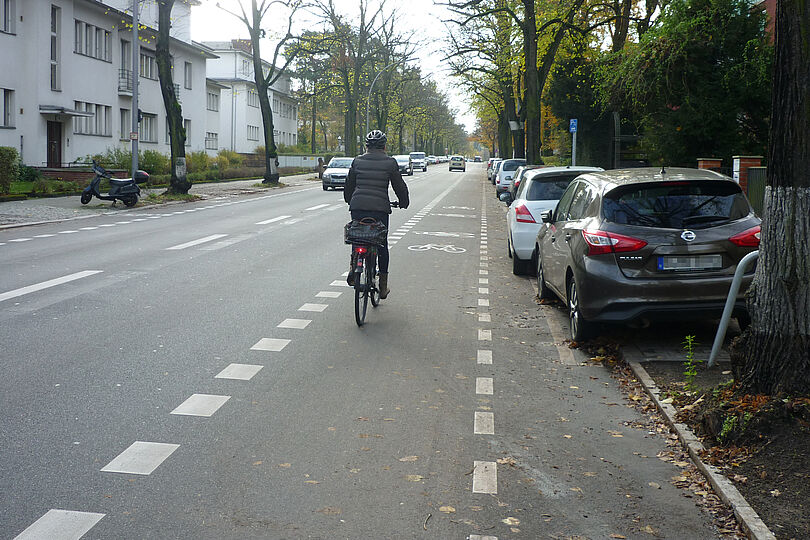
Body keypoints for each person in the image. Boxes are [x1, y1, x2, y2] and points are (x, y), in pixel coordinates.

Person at [344, 130, 409, 299]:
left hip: (357, 207)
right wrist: (403, 202)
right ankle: (383, 286)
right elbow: (399, 186)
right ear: (384, 146)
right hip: (379, 209)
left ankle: (353, 266)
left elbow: (349, 186)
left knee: (357, 235)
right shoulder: (390, 163)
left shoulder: (357, 161)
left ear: (366, 146)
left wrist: (349, 200)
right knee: (381, 244)